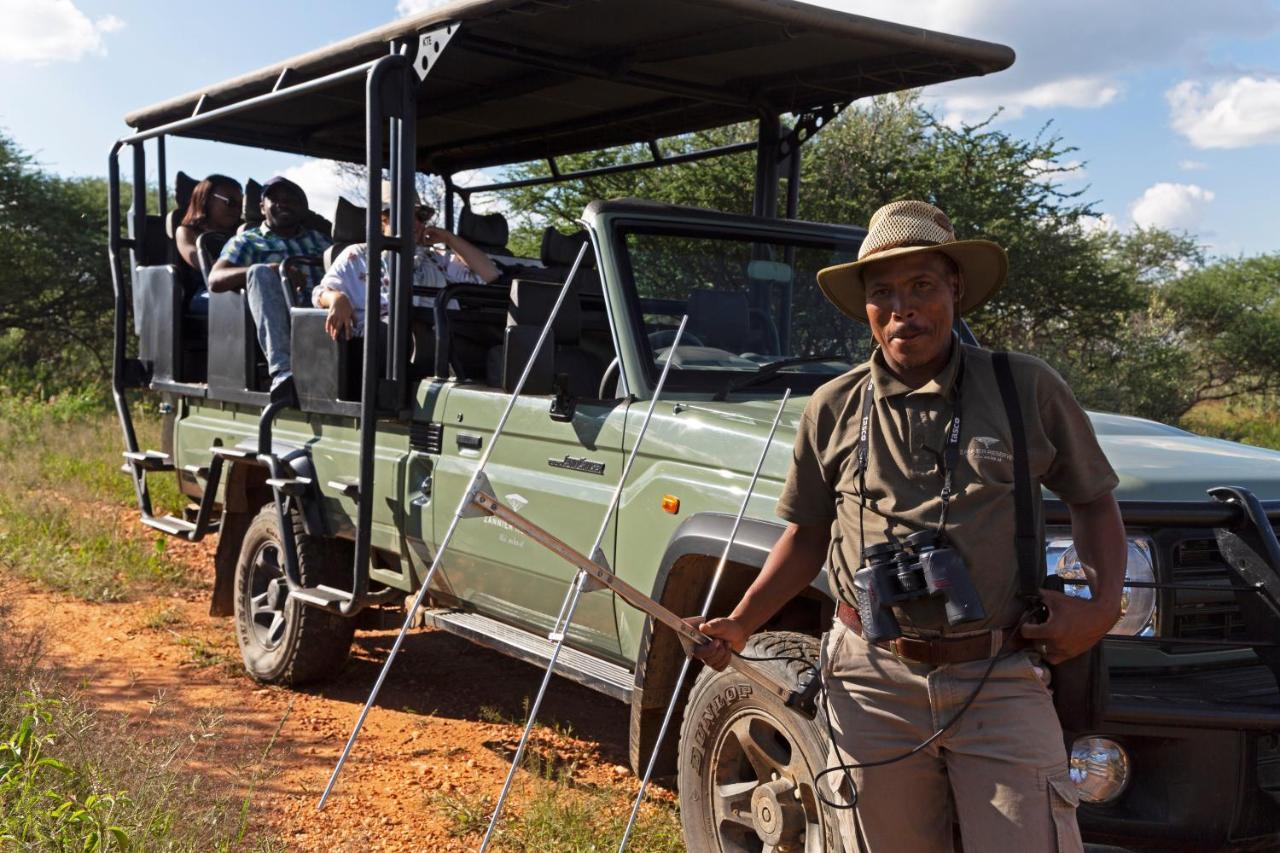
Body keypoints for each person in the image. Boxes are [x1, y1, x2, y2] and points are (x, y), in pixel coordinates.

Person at [691, 200, 1126, 852]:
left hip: (999, 672)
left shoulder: (1024, 389)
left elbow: (1095, 500)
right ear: (865, 306)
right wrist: (742, 621)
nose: (903, 308)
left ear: (955, 287)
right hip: (870, 680)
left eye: (921, 285)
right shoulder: (833, 407)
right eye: (882, 292)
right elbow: (807, 535)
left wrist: (1101, 608)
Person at [312, 184, 500, 341]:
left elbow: (489, 274)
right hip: (384, 346)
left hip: (441, 342)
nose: (416, 223)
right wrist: (337, 298)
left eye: (420, 217)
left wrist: (448, 238)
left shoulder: (434, 258)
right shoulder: (358, 255)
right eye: (405, 214)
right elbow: (320, 293)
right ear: (382, 221)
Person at [207, 176, 331, 400]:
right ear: (262, 207)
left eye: (291, 199)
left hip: (324, 313)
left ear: (301, 208)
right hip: (281, 315)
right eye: (275, 198)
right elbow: (215, 279)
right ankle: (284, 372)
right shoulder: (247, 241)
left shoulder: (321, 241)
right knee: (259, 272)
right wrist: (273, 269)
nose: (283, 203)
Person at [175, 174, 243, 271]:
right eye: (230, 202)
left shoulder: (242, 232)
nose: (237, 210)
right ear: (207, 199)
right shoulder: (187, 232)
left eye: (240, 205)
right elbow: (203, 263)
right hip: (206, 283)